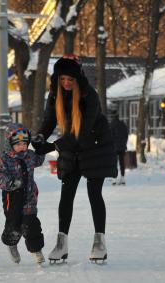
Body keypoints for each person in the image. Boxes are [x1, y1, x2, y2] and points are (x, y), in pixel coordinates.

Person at [31, 54, 117, 263]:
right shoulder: (55, 95)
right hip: (71, 146)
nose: (67, 83)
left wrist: (54, 146)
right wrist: (40, 137)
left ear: (78, 78)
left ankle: (99, 242)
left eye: (70, 79)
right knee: (66, 193)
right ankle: (61, 243)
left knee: (94, 192)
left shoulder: (90, 96)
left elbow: (83, 131)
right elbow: (49, 120)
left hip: (95, 146)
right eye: (62, 79)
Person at [0, 123, 46, 264]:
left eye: (25, 143)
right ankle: (12, 243)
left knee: (31, 224)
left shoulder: (30, 155)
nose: (23, 147)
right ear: (10, 144)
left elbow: (39, 160)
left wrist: (40, 147)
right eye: (19, 144)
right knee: (14, 224)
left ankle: (36, 250)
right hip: (12, 198)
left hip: (29, 197)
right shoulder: (4, 159)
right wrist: (10, 183)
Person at [109, 113, 128, 185]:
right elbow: (126, 135)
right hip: (122, 146)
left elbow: (109, 136)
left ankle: (114, 178)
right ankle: (122, 178)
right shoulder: (123, 125)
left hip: (114, 147)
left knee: (114, 163)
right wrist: (124, 143)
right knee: (122, 162)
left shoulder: (111, 125)